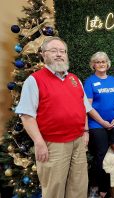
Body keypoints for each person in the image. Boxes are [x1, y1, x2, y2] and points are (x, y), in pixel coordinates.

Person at [15, 36, 91, 198]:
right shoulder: (34, 80)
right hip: (53, 145)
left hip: (77, 142)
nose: (59, 54)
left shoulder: (75, 79)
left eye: (62, 51)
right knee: (54, 190)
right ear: (43, 55)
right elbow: (27, 115)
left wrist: (85, 131)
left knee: (79, 186)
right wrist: (39, 142)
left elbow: (83, 108)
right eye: (54, 51)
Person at [84, 52, 114, 198]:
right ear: (93, 64)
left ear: (107, 64)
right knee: (101, 155)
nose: (101, 64)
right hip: (97, 125)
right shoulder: (90, 81)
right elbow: (88, 106)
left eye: (103, 62)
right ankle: (99, 187)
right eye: (98, 62)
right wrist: (102, 122)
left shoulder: (113, 80)